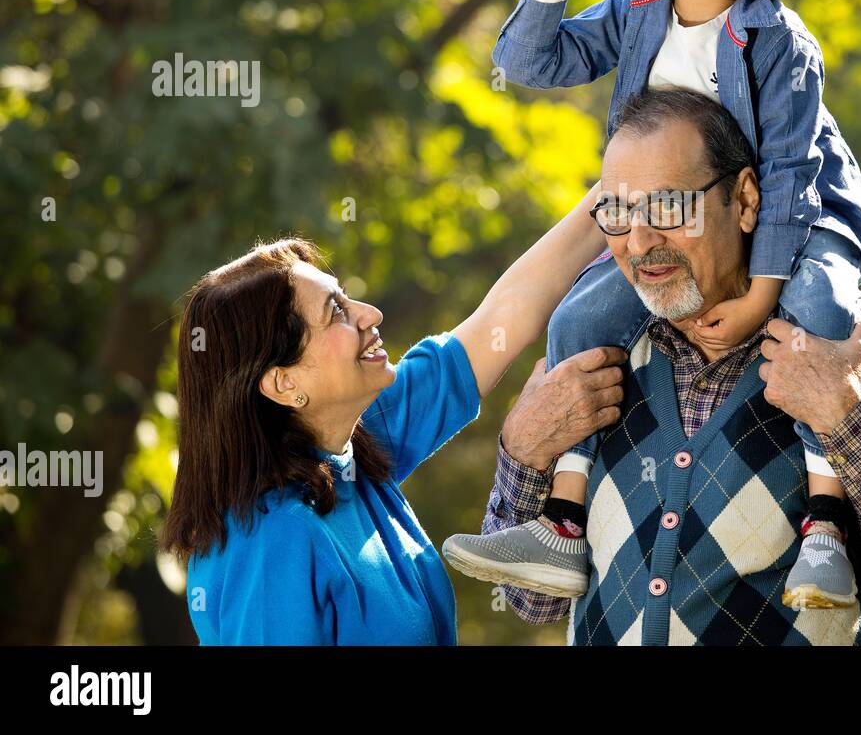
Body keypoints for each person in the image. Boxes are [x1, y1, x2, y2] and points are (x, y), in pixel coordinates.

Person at [443, 0, 861, 606]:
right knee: (578, 320)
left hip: (801, 218)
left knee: (819, 313)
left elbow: (788, 181)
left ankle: (826, 533)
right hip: (682, 229)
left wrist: (758, 296)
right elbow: (529, 64)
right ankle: (563, 527)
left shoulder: (781, 45)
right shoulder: (645, 2)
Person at [443, 87, 861, 644]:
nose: (640, 242)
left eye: (668, 206)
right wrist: (523, 450)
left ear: (744, 199)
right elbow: (532, 598)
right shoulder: (595, 355)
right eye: (618, 212)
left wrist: (846, 416)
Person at [159, 185, 626, 644]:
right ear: (285, 383)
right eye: (336, 312)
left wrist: (620, 188)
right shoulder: (270, 543)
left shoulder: (355, 438)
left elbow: (504, 316)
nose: (370, 314)